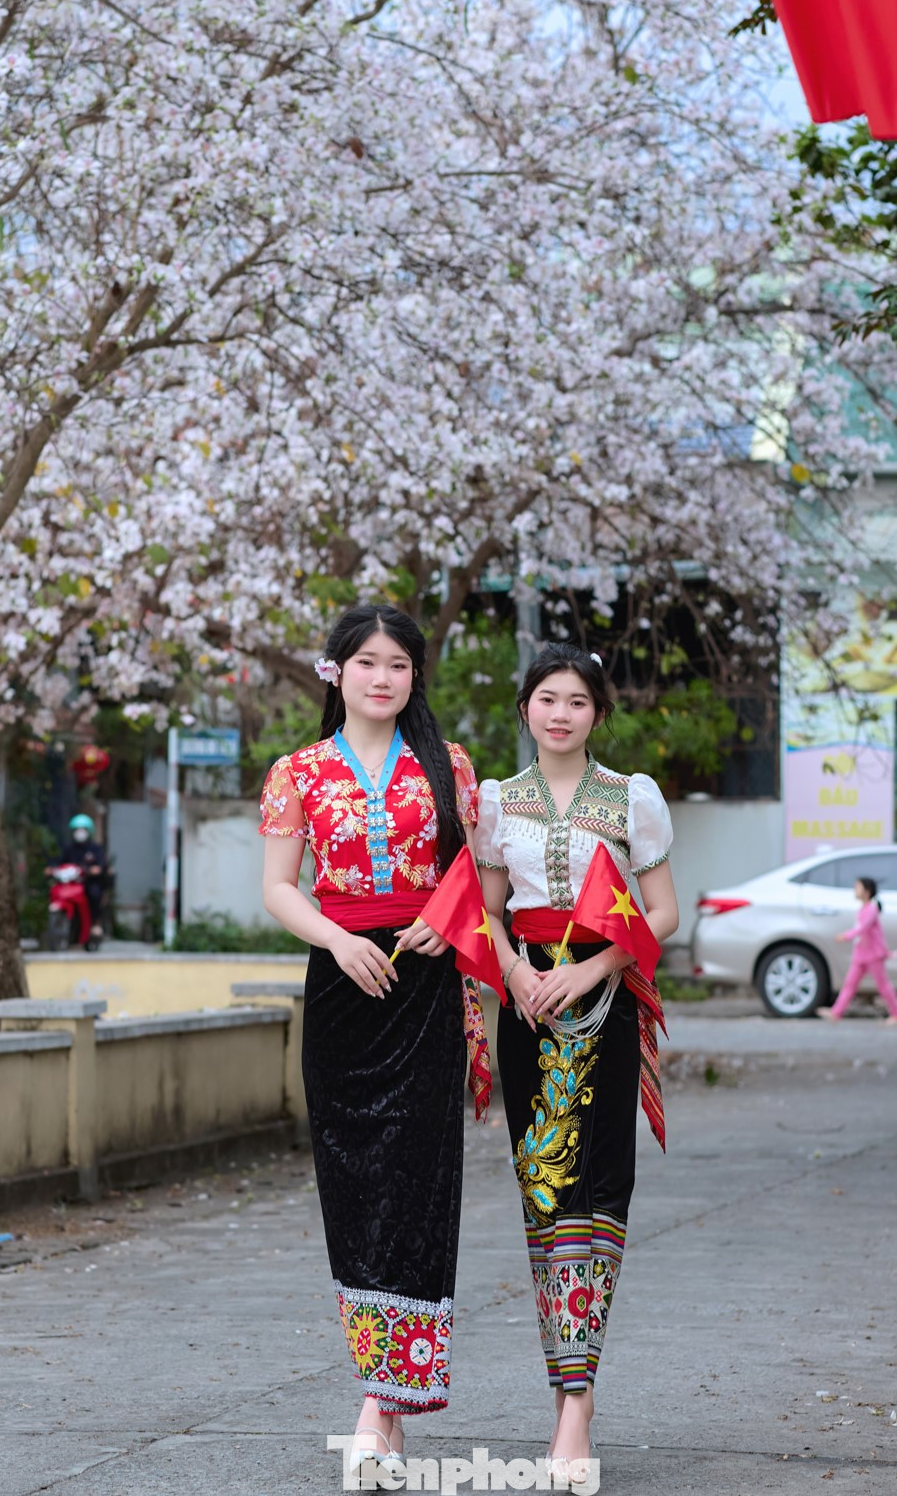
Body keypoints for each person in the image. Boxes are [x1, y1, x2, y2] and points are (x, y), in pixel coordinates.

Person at [259, 604, 486, 1478]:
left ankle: (377, 1400)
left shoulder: (451, 764)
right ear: (336, 672)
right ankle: (386, 1393)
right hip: (345, 986)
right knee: (355, 1187)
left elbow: (478, 868)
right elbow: (279, 887)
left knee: (419, 1186)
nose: (383, 677)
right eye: (367, 662)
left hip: (427, 986)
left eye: (399, 664)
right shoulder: (298, 772)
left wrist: (444, 912)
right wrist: (334, 938)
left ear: (415, 677)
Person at [477, 645, 679, 1486]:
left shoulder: (632, 797)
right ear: (525, 707)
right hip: (531, 1015)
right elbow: (486, 915)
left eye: (578, 701)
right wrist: (520, 972)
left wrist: (592, 969)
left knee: (599, 1193)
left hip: (605, 1006)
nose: (561, 713)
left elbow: (663, 909)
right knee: (545, 1192)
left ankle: (576, 1403)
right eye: (546, 698)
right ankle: (567, 1386)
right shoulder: (494, 802)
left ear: (598, 712)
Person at [818, 876, 897, 1024]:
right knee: (850, 984)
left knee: (883, 985)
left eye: (858, 887)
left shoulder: (871, 909)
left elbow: (861, 928)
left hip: (873, 954)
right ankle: (837, 1012)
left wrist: (846, 936)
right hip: (861, 954)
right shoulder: (864, 909)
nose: (855, 890)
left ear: (867, 891)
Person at [58, 815, 109, 925]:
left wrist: (94, 870)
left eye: (82, 830)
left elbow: (101, 866)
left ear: (88, 831)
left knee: (94, 894)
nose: (79, 832)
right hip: (72, 882)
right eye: (77, 830)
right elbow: (59, 862)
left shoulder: (95, 848)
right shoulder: (69, 848)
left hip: (89, 882)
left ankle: (95, 923)